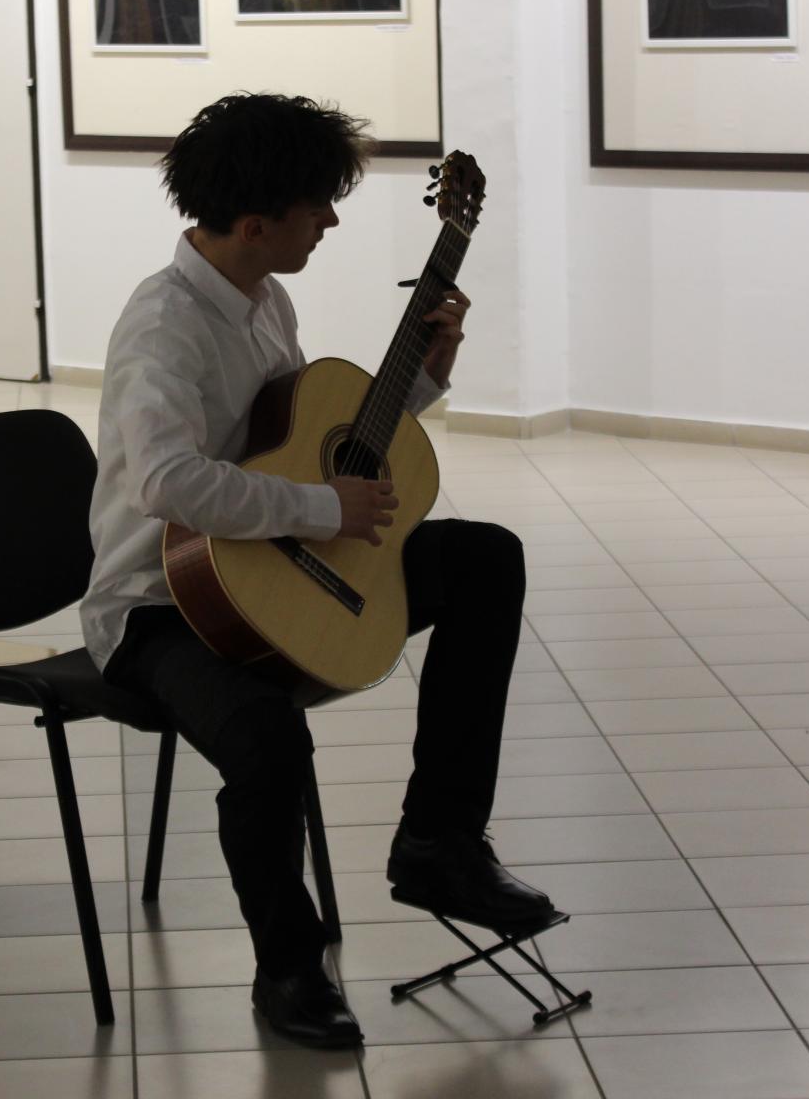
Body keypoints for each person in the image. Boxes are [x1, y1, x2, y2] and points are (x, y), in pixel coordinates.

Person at [80, 93, 553, 1049]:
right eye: (317, 207)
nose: (331, 222)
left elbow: (296, 442)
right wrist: (323, 510)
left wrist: (426, 373)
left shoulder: (265, 300)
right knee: (264, 735)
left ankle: (439, 841)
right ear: (256, 224)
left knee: (484, 559)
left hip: (265, 573)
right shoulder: (163, 326)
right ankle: (289, 969)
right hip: (162, 607)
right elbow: (169, 483)